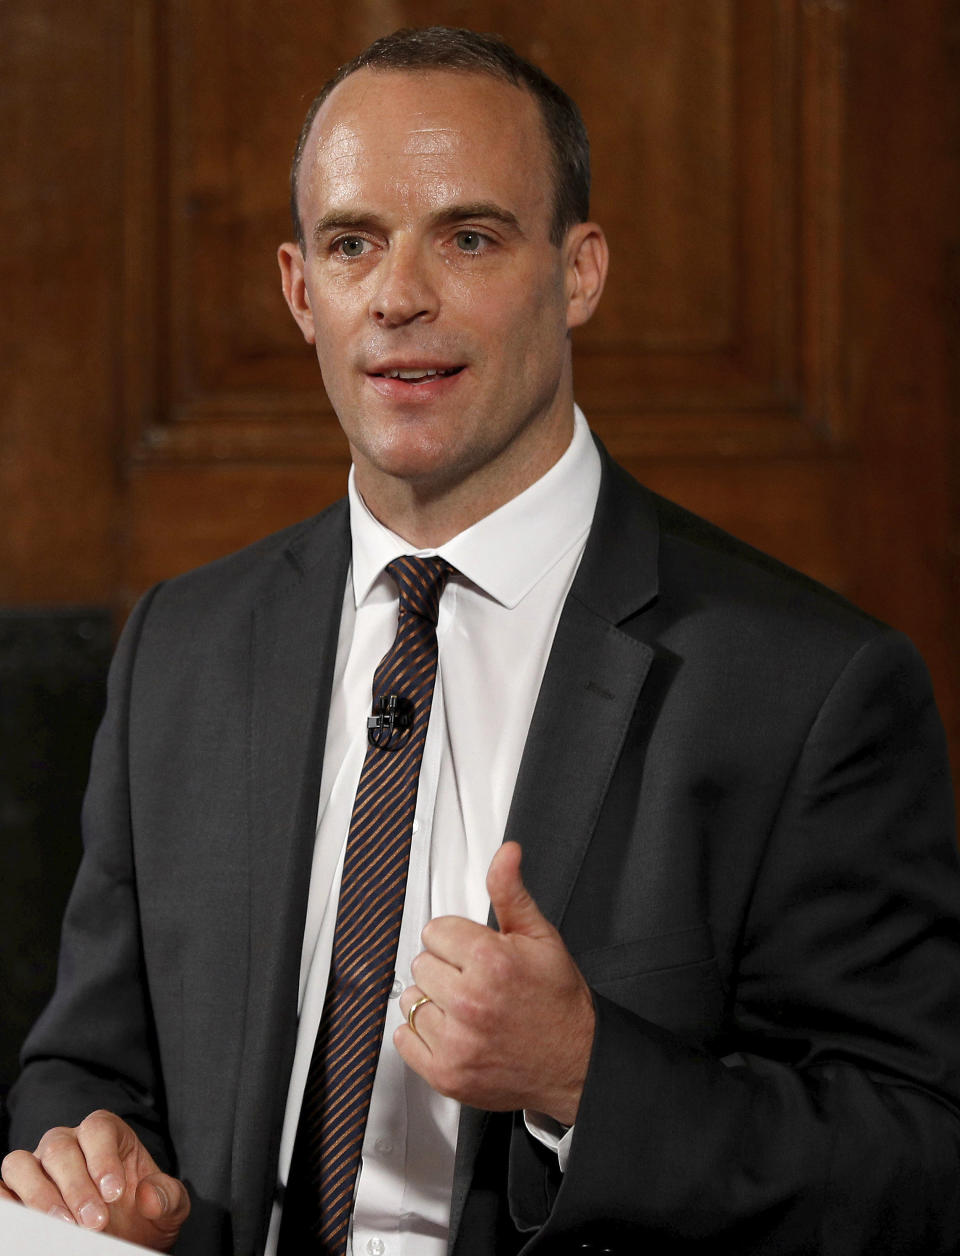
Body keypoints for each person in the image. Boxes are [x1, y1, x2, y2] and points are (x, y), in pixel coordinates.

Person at [3, 24, 960, 1256]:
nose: (400, 294)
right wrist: (96, 1167)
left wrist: (585, 1077)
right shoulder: (183, 646)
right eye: (354, 243)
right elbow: (80, 1067)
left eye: (468, 236)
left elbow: (921, 1159)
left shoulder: (808, 687)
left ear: (580, 273)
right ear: (302, 292)